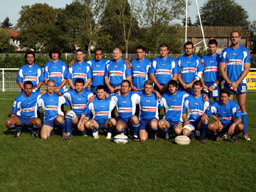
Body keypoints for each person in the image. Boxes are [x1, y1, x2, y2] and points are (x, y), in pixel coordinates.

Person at [219, 31, 251, 141]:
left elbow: (246, 69)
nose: (234, 39)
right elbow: (222, 69)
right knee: (228, 108)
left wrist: (237, 83)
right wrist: (229, 82)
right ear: (230, 38)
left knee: (242, 106)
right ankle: (226, 132)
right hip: (229, 83)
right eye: (232, 37)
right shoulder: (225, 51)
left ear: (239, 38)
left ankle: (245, 132)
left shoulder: (245, 51)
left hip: (241, 83)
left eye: (236, 37)